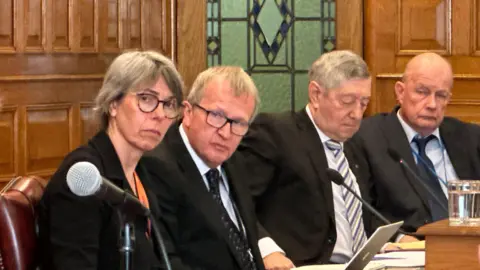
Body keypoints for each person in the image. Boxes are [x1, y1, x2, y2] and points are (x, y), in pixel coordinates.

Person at [238, 50, 387, 269]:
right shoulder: (275, 133)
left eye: (364, 103)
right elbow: (237, 200)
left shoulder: (355, 145)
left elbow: (363, 210)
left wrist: (391, 240)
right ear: (316, 94)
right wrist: (267, 250)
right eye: (347, 101)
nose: (357, 114)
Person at [38, 50, 184, 270]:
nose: (160, 115)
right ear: (113, 103)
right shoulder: (83, 180)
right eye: (146, 99)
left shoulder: (145, 173)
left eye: (168, 104)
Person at [145, 66, 265, 270]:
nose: (226, 133)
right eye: (217, 115)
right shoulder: (158, 167)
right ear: (188, 112)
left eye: (238, 123)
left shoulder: (234, 160)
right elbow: (166, 261)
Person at [350, 52, 480, 235]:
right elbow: (361, 210)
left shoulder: (470, 138)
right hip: (410, 250)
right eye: (422, 92)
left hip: (468, 246)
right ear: (400, 92)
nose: (432, 104)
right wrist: (398, 239)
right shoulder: (367, 138)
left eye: (441, 95)